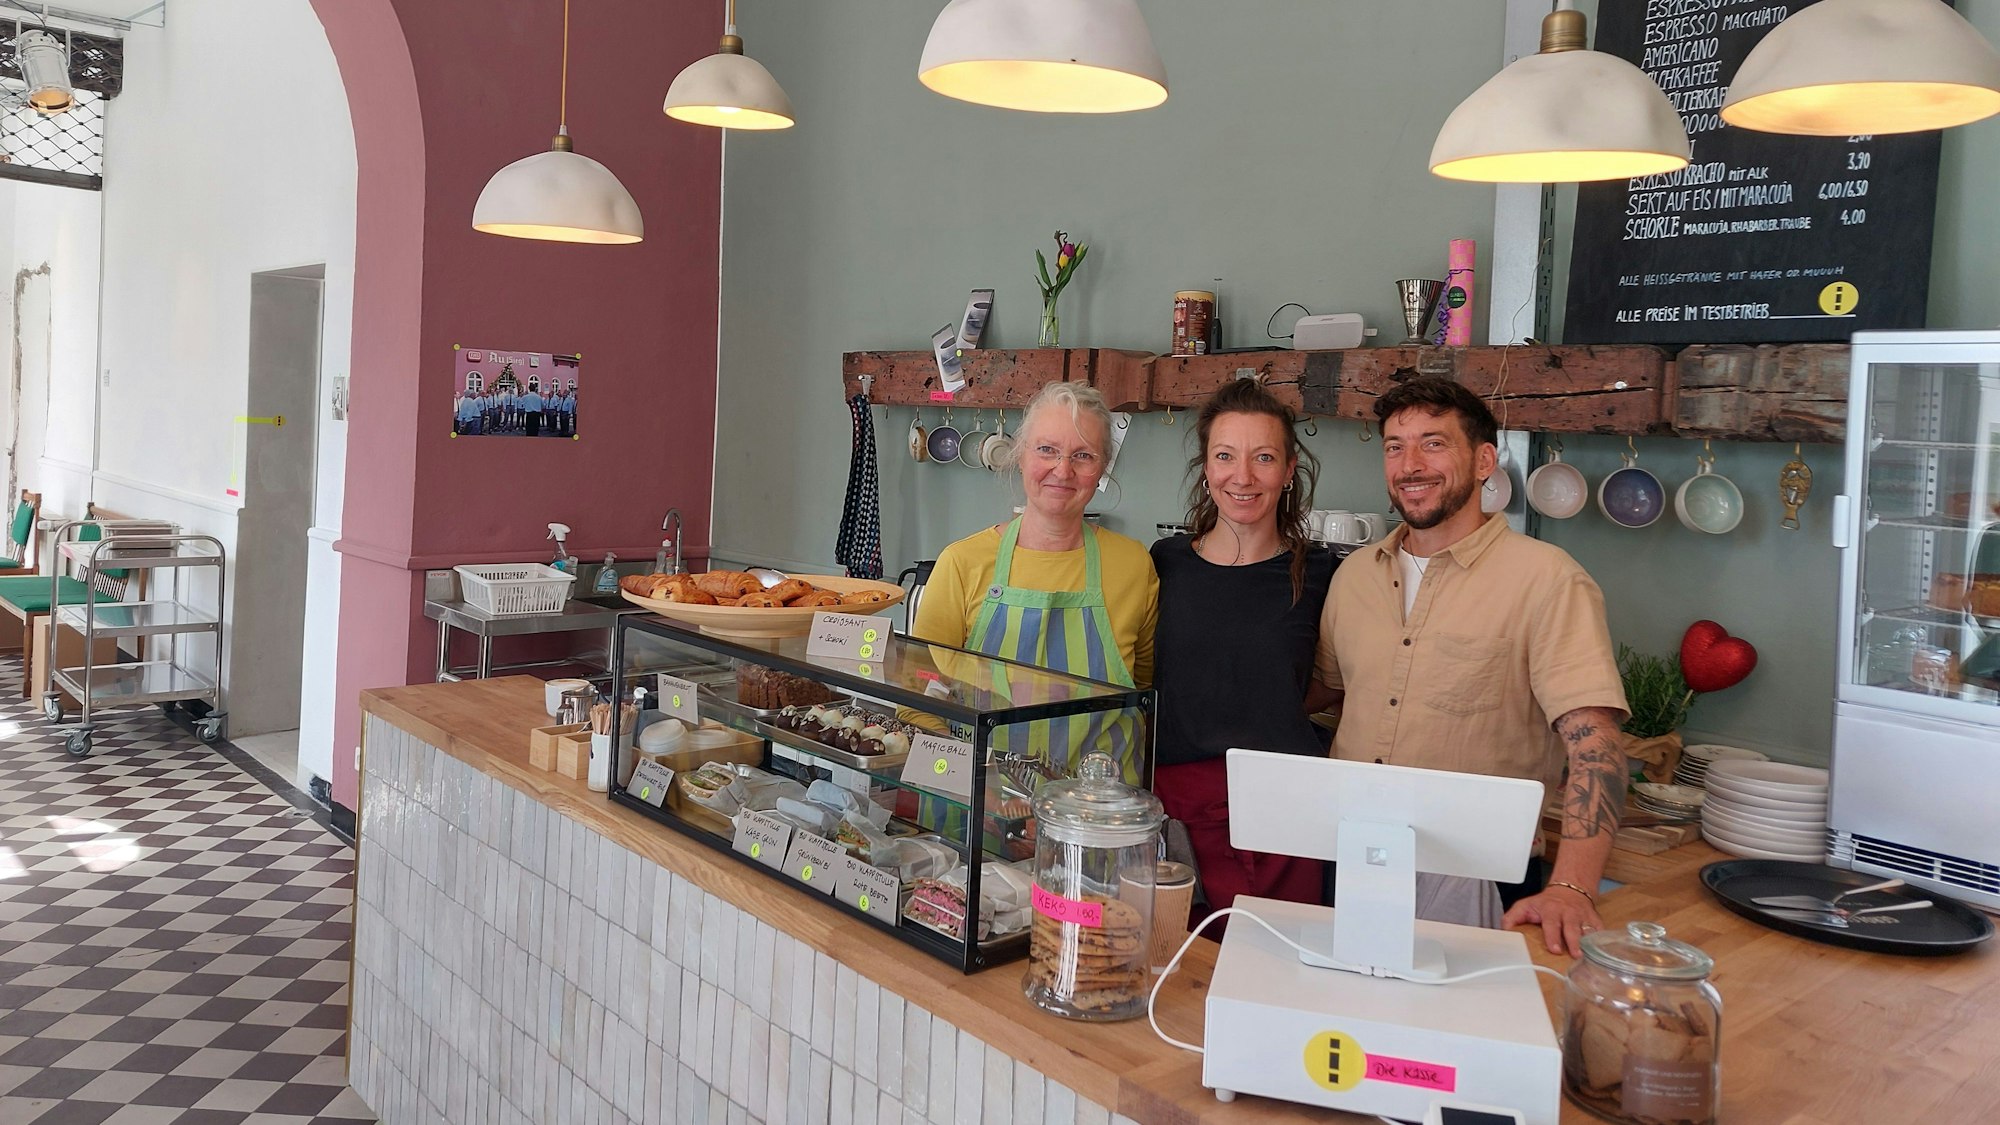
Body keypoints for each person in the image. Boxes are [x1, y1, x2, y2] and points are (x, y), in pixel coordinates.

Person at [1314, 377, 1629, 957]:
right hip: (1353, 859)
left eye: (1433, 443)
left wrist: (1572, 885)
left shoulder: (1548, 579)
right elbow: (1328, 693)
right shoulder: (1354, 574)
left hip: (1482, 874)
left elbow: (1597, 745)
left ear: (1484, 460)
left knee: (1455, 1041)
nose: (1410, 465)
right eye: (1394, 445)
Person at [1150, 379, 1337, 911]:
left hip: (1286, 810)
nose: (1244, 476)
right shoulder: (1165, 563)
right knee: (1184, 972)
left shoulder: (1322, 573)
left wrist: (1266, 703)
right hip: (1180, 811)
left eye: (1264, 457)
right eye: (1226, 456)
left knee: (1284, 971)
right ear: (1206, 468)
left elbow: (1340, 681)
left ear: (1289, 469)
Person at [910, 381, 1157, 783]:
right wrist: (977, 788)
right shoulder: (962, 562)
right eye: (1046, 450)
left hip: (1096, 817)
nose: (1063, 470)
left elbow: (1143, 691)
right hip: (981, 813)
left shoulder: (1133, 564)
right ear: (1021, 456)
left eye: (1083, 455)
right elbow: (919, 698)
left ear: (1102, 468)